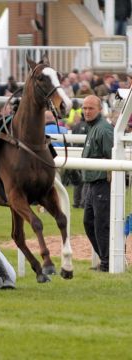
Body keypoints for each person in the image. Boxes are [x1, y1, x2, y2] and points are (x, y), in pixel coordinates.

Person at [82, 95, 114, 272]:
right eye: (85, 108)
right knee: (88, 223)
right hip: (91, 184)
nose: (87, 111)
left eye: (90, 108)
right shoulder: (93, 127)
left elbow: (112, 158)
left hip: (102, 183)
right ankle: (105, 259)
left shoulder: (104, 130)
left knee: (101, 224)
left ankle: (107, 263)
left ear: (99, 109)